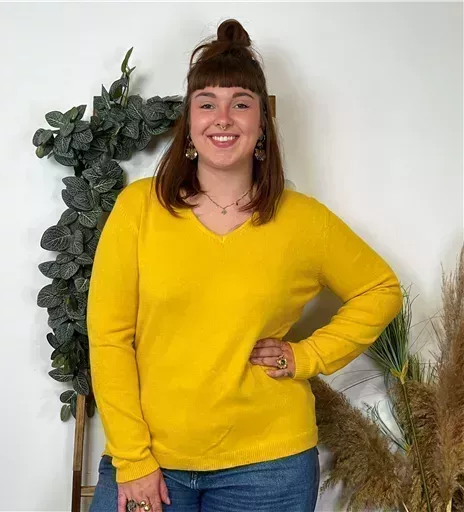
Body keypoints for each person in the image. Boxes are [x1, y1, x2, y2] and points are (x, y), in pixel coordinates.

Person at [87, 18, 403, 512]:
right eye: (206, 103)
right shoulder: (138, 209)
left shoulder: (304, 221)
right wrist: (133, 459)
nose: (223, 118)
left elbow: (381, 289)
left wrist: (306, 356)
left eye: (240, 103)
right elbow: (109, 338)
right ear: (189, 123)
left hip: (269, 469)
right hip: (150, 460)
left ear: (261, 124)